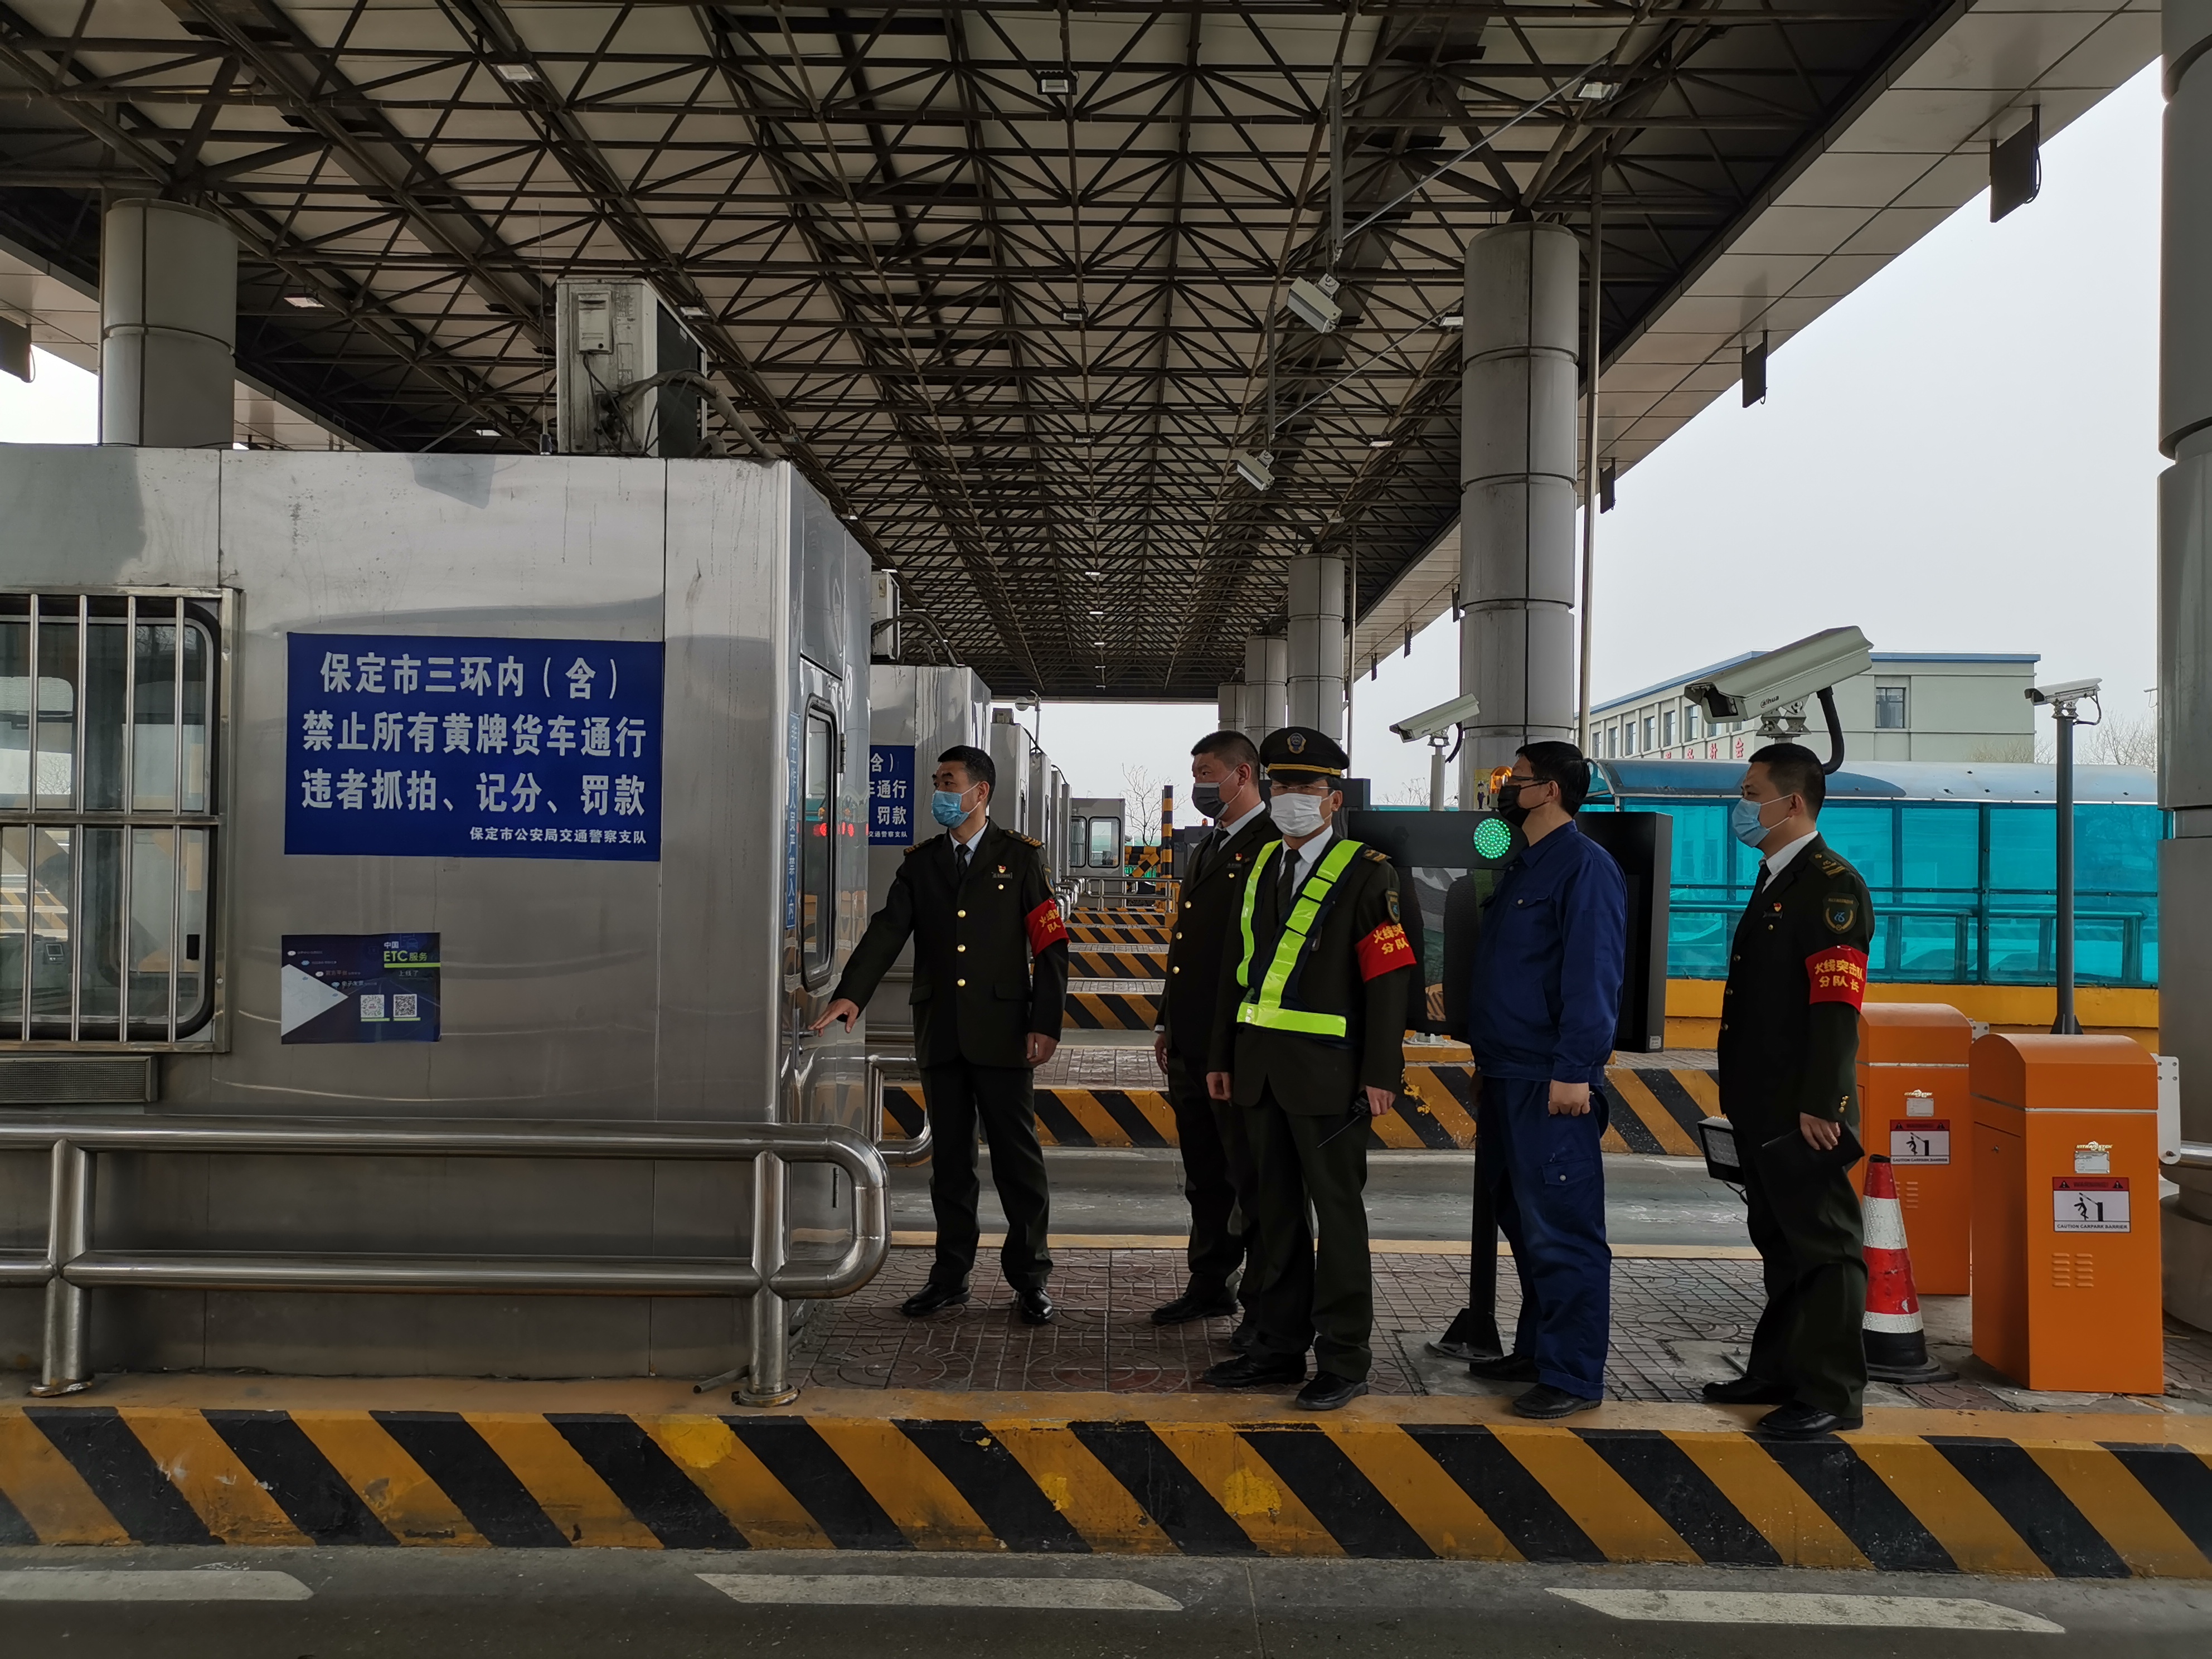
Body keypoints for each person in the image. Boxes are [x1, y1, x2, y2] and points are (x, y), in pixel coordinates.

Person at [815, 744, 1068, 1325]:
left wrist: (1045, 1022)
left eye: (948, 782)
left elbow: (1051, 946)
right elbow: (887, 930)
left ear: (980, 792)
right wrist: (851, 993)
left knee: (1017, 1163)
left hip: (1003, 1033)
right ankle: (950, 1277)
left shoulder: (1020, 858)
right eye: (936, 781)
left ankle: (1030, 1278)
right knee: (950, 1164)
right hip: (941, 1031)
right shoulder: (923, 863)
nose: (939, 792)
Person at [1202, 726, 1415, 1410]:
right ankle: (1276, 1346)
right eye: (1281, 785)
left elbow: (1388, 981)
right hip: (1257, 1071)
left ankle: (1344, 1359)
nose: (1290, 797)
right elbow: (1235, 971)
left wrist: (1382, 1072)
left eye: (1306, 787)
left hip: (1330, 1079)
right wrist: (1220, 1056)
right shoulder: (1263, 864)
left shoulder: (1369, 873)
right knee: (1272, 1218)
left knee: (1337, 1219)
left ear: (1333, 798)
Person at [1705, 741, 1875, 1436]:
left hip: (1800, 1106)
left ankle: (1831, 1393)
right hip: (1761, 1099)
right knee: (1778, 1242)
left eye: (1751, 795)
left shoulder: (1830, 885)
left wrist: (1823, 1103)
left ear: (1792, 802)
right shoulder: (1775, 878)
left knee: (1825, 1248)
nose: (1741, 807)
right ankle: (1777, 1371)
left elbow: (1834, 1006)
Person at [1463, 742, 1627, 1419]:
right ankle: (1537, 1351)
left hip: (1548, 1080)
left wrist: (1573, 1071)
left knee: (1562, 1229)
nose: (1503, 788)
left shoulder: (1583, 867)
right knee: (1524, 1224)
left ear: (1550, 790)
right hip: (1507, 1073)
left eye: (1515, 778)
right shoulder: (1523, 864)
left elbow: (1592, 973)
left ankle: (1572, 1376)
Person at [1151, 730, 1279, 1347]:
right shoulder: (1211, 843)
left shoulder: (1272, 844)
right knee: (1203, 1174)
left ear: (1242, 774)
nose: (1199, 784)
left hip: (1237, 1044)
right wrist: (1166, 1021)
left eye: (1207, 772)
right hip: (1191, 1039)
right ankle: (1209, 1282)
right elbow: (1188, 945)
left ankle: (1262, 1304)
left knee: (1249, 1178)